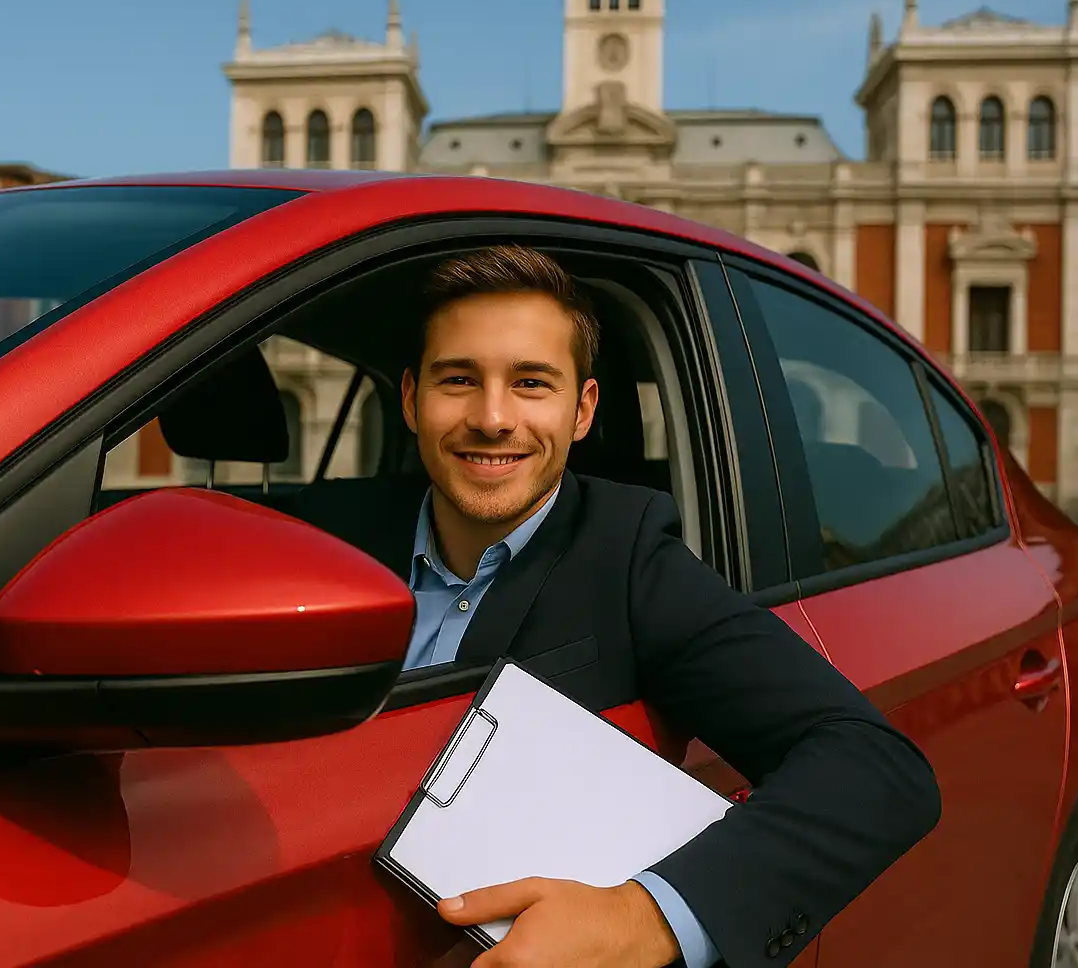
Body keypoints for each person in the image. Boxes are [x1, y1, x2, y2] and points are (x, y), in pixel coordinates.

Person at [287, 244, 942, 968]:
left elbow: (877, 769)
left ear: (582, 410)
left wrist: (644, 919)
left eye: (532, 383)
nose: (493, 417)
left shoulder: (626, 553)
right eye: (459, 379)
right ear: (411, 399)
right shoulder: (317, 536)